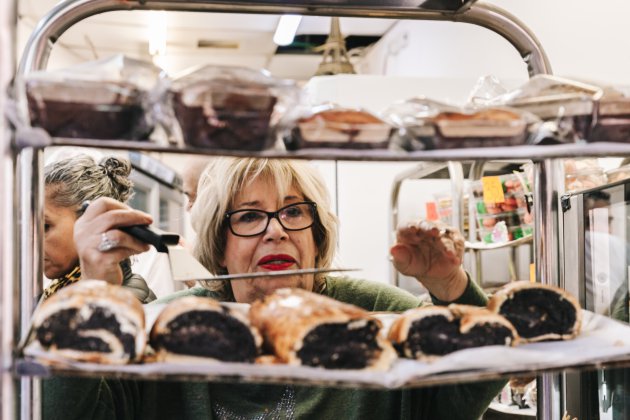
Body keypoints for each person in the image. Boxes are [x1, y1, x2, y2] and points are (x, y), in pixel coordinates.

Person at [48, 157, 503, 420]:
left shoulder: (374, 312)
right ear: (218, 247)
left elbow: (463, 396)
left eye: (293, 212)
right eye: (248, 216)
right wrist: (93, 291)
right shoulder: (169, 325)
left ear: (317, 234)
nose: (276, 231)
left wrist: (450, 286)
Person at [43, 153, 156, 302]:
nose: (32, 241)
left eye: (45, 226)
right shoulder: (59, 289)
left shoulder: (127, 304)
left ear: (91, 220)